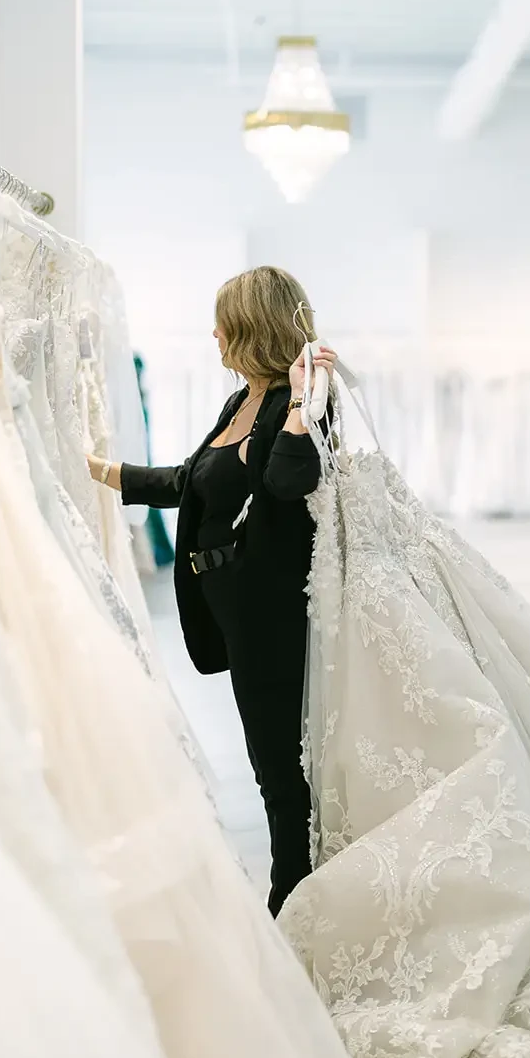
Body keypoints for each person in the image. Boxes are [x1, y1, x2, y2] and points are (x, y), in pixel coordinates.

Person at [89, 266, 336, 916]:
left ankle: (291, 899)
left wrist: (304, 408)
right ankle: (297, 886)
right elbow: (198, 480)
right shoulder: (244, 399)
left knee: (279, 762)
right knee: (271, 756)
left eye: (223, 319)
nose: (214, 332)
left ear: (250, 327)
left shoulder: (298, 402)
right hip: (232, 603)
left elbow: (287, 484)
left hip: (272, 608)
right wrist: (108, 473)